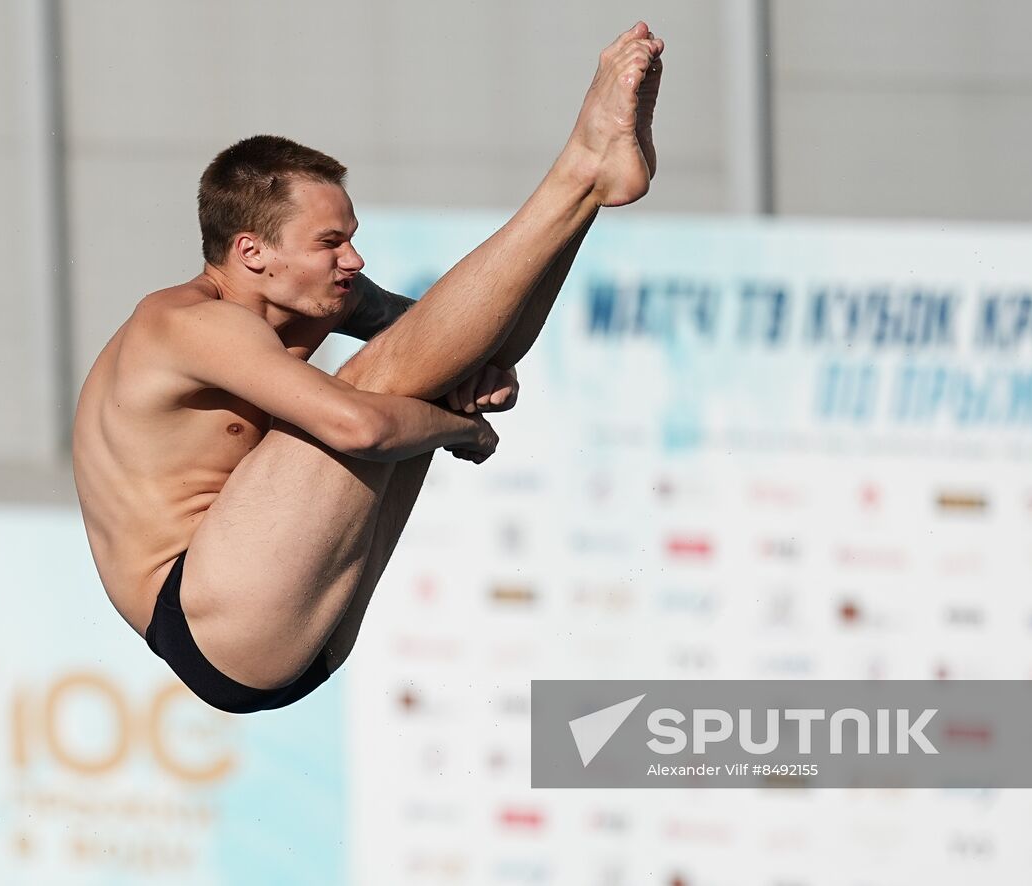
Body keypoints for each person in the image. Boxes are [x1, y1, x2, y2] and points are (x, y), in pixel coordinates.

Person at [72, 23, 664, 713]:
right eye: (329, 243)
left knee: (442, 356)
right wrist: (456, 430)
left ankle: (592, 190)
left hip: (306, 621)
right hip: (211, 624)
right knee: (370, 389)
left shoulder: (313, 296)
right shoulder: (186, 325)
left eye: (351, 238)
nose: (352, 259)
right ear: (251, 252)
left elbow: (467, 339)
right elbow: (355, 427)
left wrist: (472, 379)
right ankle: (577, 165)